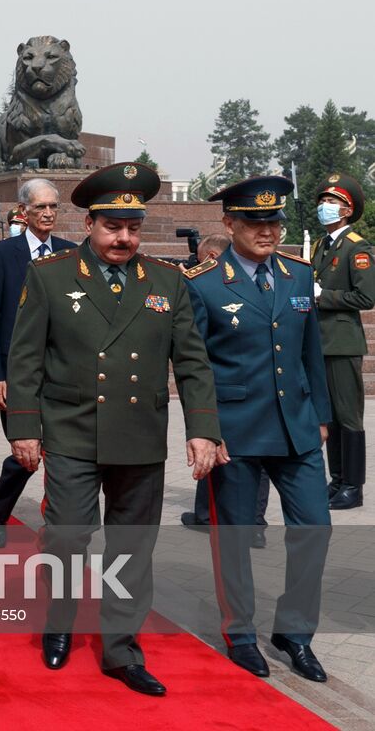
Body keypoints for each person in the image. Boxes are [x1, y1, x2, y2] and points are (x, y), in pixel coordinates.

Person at [7, 162, 220, 697]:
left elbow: (192, 363)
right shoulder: (52, 276)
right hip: (72, 431)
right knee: (69, 535)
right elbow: (26, 358)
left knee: (131, 547)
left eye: (133, 227)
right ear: (89, 225)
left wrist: (203, 429)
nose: (124, 238)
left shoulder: (167, 282)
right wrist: (24, 429)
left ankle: (121, 649)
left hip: (139, 436)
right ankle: (59, 618)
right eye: (112, 226)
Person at [184, 176, 332, 683]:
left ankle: (294, 632)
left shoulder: (296, 275)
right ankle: (241, 632)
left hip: (297, 428)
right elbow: (194, 365)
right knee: (235, 538)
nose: (267, 231)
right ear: (229, 223)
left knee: (315, 528)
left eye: (274, 221)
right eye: (254, 222)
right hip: (236, 431)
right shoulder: (203, 283)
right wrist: (204, 428)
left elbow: (312, 352)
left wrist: (322, 417)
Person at [0, 178, 76, 548]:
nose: (48, 213)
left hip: (60, 373)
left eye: (53, 207)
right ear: (24, 212)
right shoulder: (2, 253)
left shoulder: (70, 252)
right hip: (15, 374)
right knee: (25, 453)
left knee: (62, 451)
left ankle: (59, 524)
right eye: (40, 207)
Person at [181, 232, 273, 540]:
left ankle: (216, 517)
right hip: (258, 394)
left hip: (231, 395)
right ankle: (254, 524)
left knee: (225, 460)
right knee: (249, 463)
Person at [311, 173, 374, 510]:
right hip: (321, 342)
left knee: (348, 418)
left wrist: (324, 296)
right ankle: (336, 482)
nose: (325, 207)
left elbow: (366, 297)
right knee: (330, 417)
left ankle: (353, 485)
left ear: (347, 209)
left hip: (343, 343)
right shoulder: (322, 245)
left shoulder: (357, 247)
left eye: (332, 202)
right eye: (323, 201)